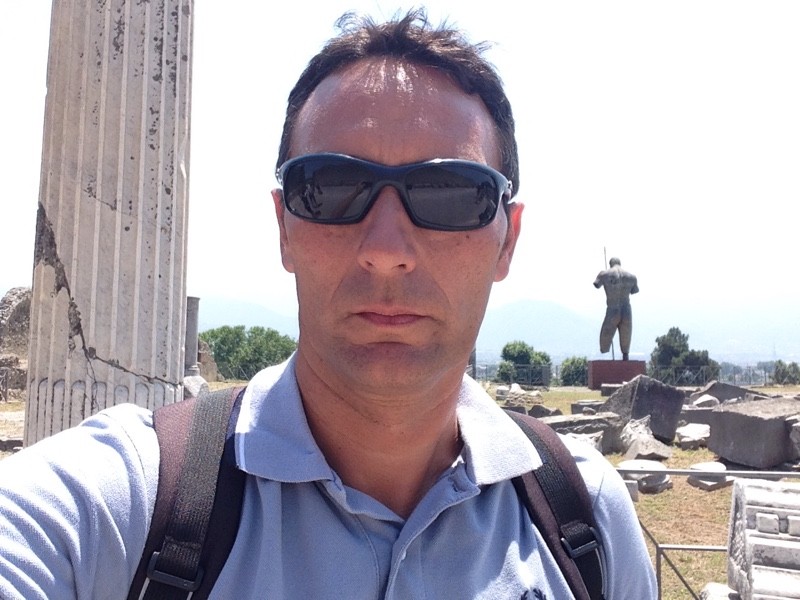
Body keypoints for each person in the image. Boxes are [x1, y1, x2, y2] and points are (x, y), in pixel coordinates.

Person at [0, 11, 657, 599]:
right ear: (284, 227)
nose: (387, 251)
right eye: (333, 189)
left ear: (506, 240)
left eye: (452, 194)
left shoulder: (589, 518)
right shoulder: (120, 504)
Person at [593, 257, 639, 360]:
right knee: (626, 335)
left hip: (612, 309)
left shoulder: (604, 274)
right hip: (626, 310)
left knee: (605, 336)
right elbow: (635, 290)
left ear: (610, 264)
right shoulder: (631, 277)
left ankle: (605, 350)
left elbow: (597, 284)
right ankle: (625, 355)